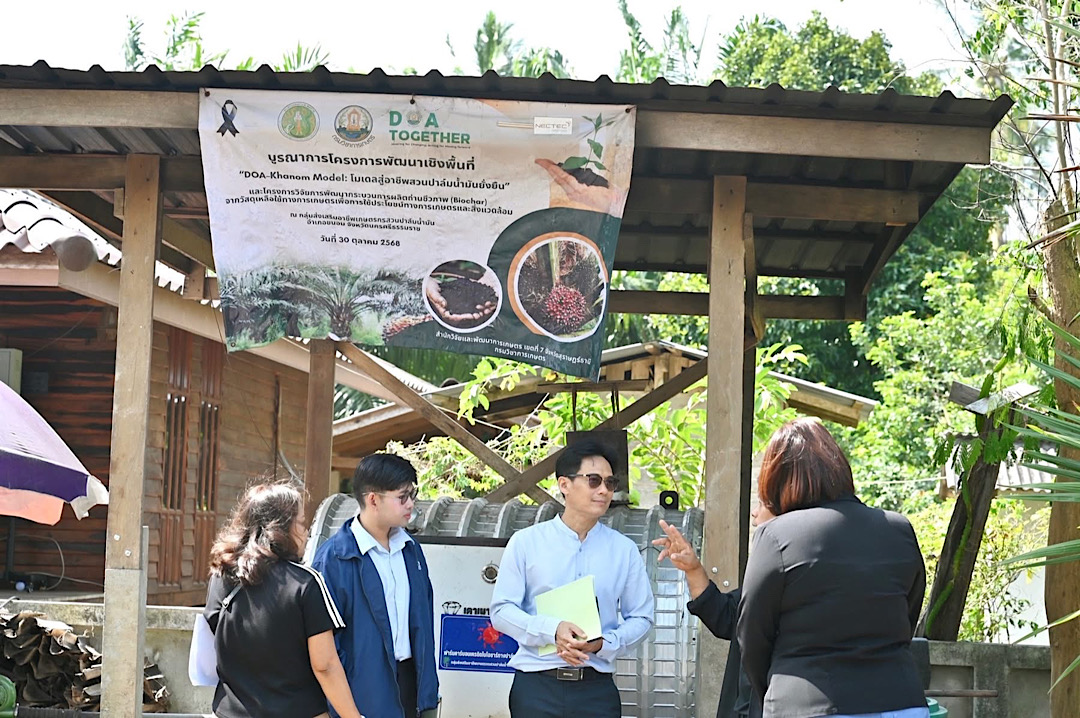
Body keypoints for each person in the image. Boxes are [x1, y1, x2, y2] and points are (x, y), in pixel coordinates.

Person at [737, 418, 928, 718]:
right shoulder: (899, 529)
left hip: (807, 702)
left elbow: (752, 636)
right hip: (900, 702)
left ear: (777, 479)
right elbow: (907, 617)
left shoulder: (775, 536)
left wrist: (776, 693)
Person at [490, 440, 654, 718]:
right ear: (564, 484)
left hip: (595, 689)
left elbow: (642, 618)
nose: (604, 490)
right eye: (593, 480)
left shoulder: (624, 550)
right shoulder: (526, 542)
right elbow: (501, 611)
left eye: (610, 483)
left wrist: (604, 643)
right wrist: (552, 630)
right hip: (536, 687)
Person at [203, 481, 364, 718]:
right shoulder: (305, 582)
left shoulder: (221, 577)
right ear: (280, 528)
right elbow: (325, 665)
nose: (306, 532)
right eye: (301, 523)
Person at [312, 453, 439, 718]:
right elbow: (323, 646)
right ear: (373, 499)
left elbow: (423, 623)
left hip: (411, 686)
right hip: (361, 692)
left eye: (413, 495)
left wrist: (428, 692)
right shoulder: (335, 558)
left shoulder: (411, 550)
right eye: (402, 497)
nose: (411, 504)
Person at [653, 503, 776, 718]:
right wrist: (692, 568)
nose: (754, 513)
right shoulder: (766, 573)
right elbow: (726, 617)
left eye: (763, 504)